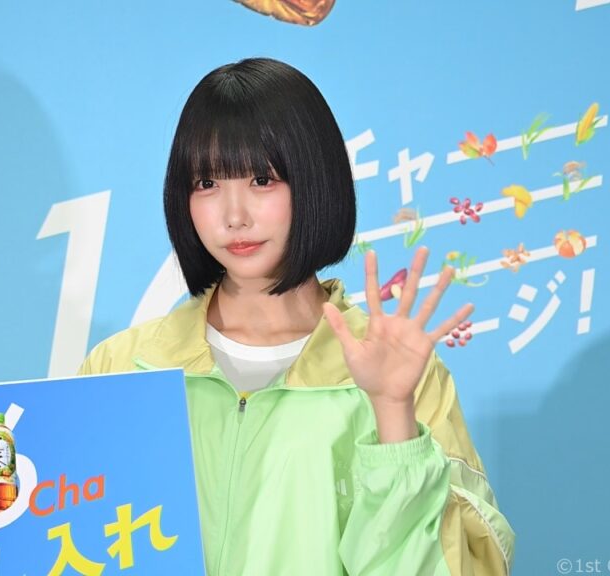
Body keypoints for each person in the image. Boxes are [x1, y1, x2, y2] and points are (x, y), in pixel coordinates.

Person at [79, 57, 515, 575]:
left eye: (262, 180)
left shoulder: (399, 374)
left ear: (314, 181)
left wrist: (393, 415)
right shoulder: (122, 367)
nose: (234, 215)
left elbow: (464, 566)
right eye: (207, 183)